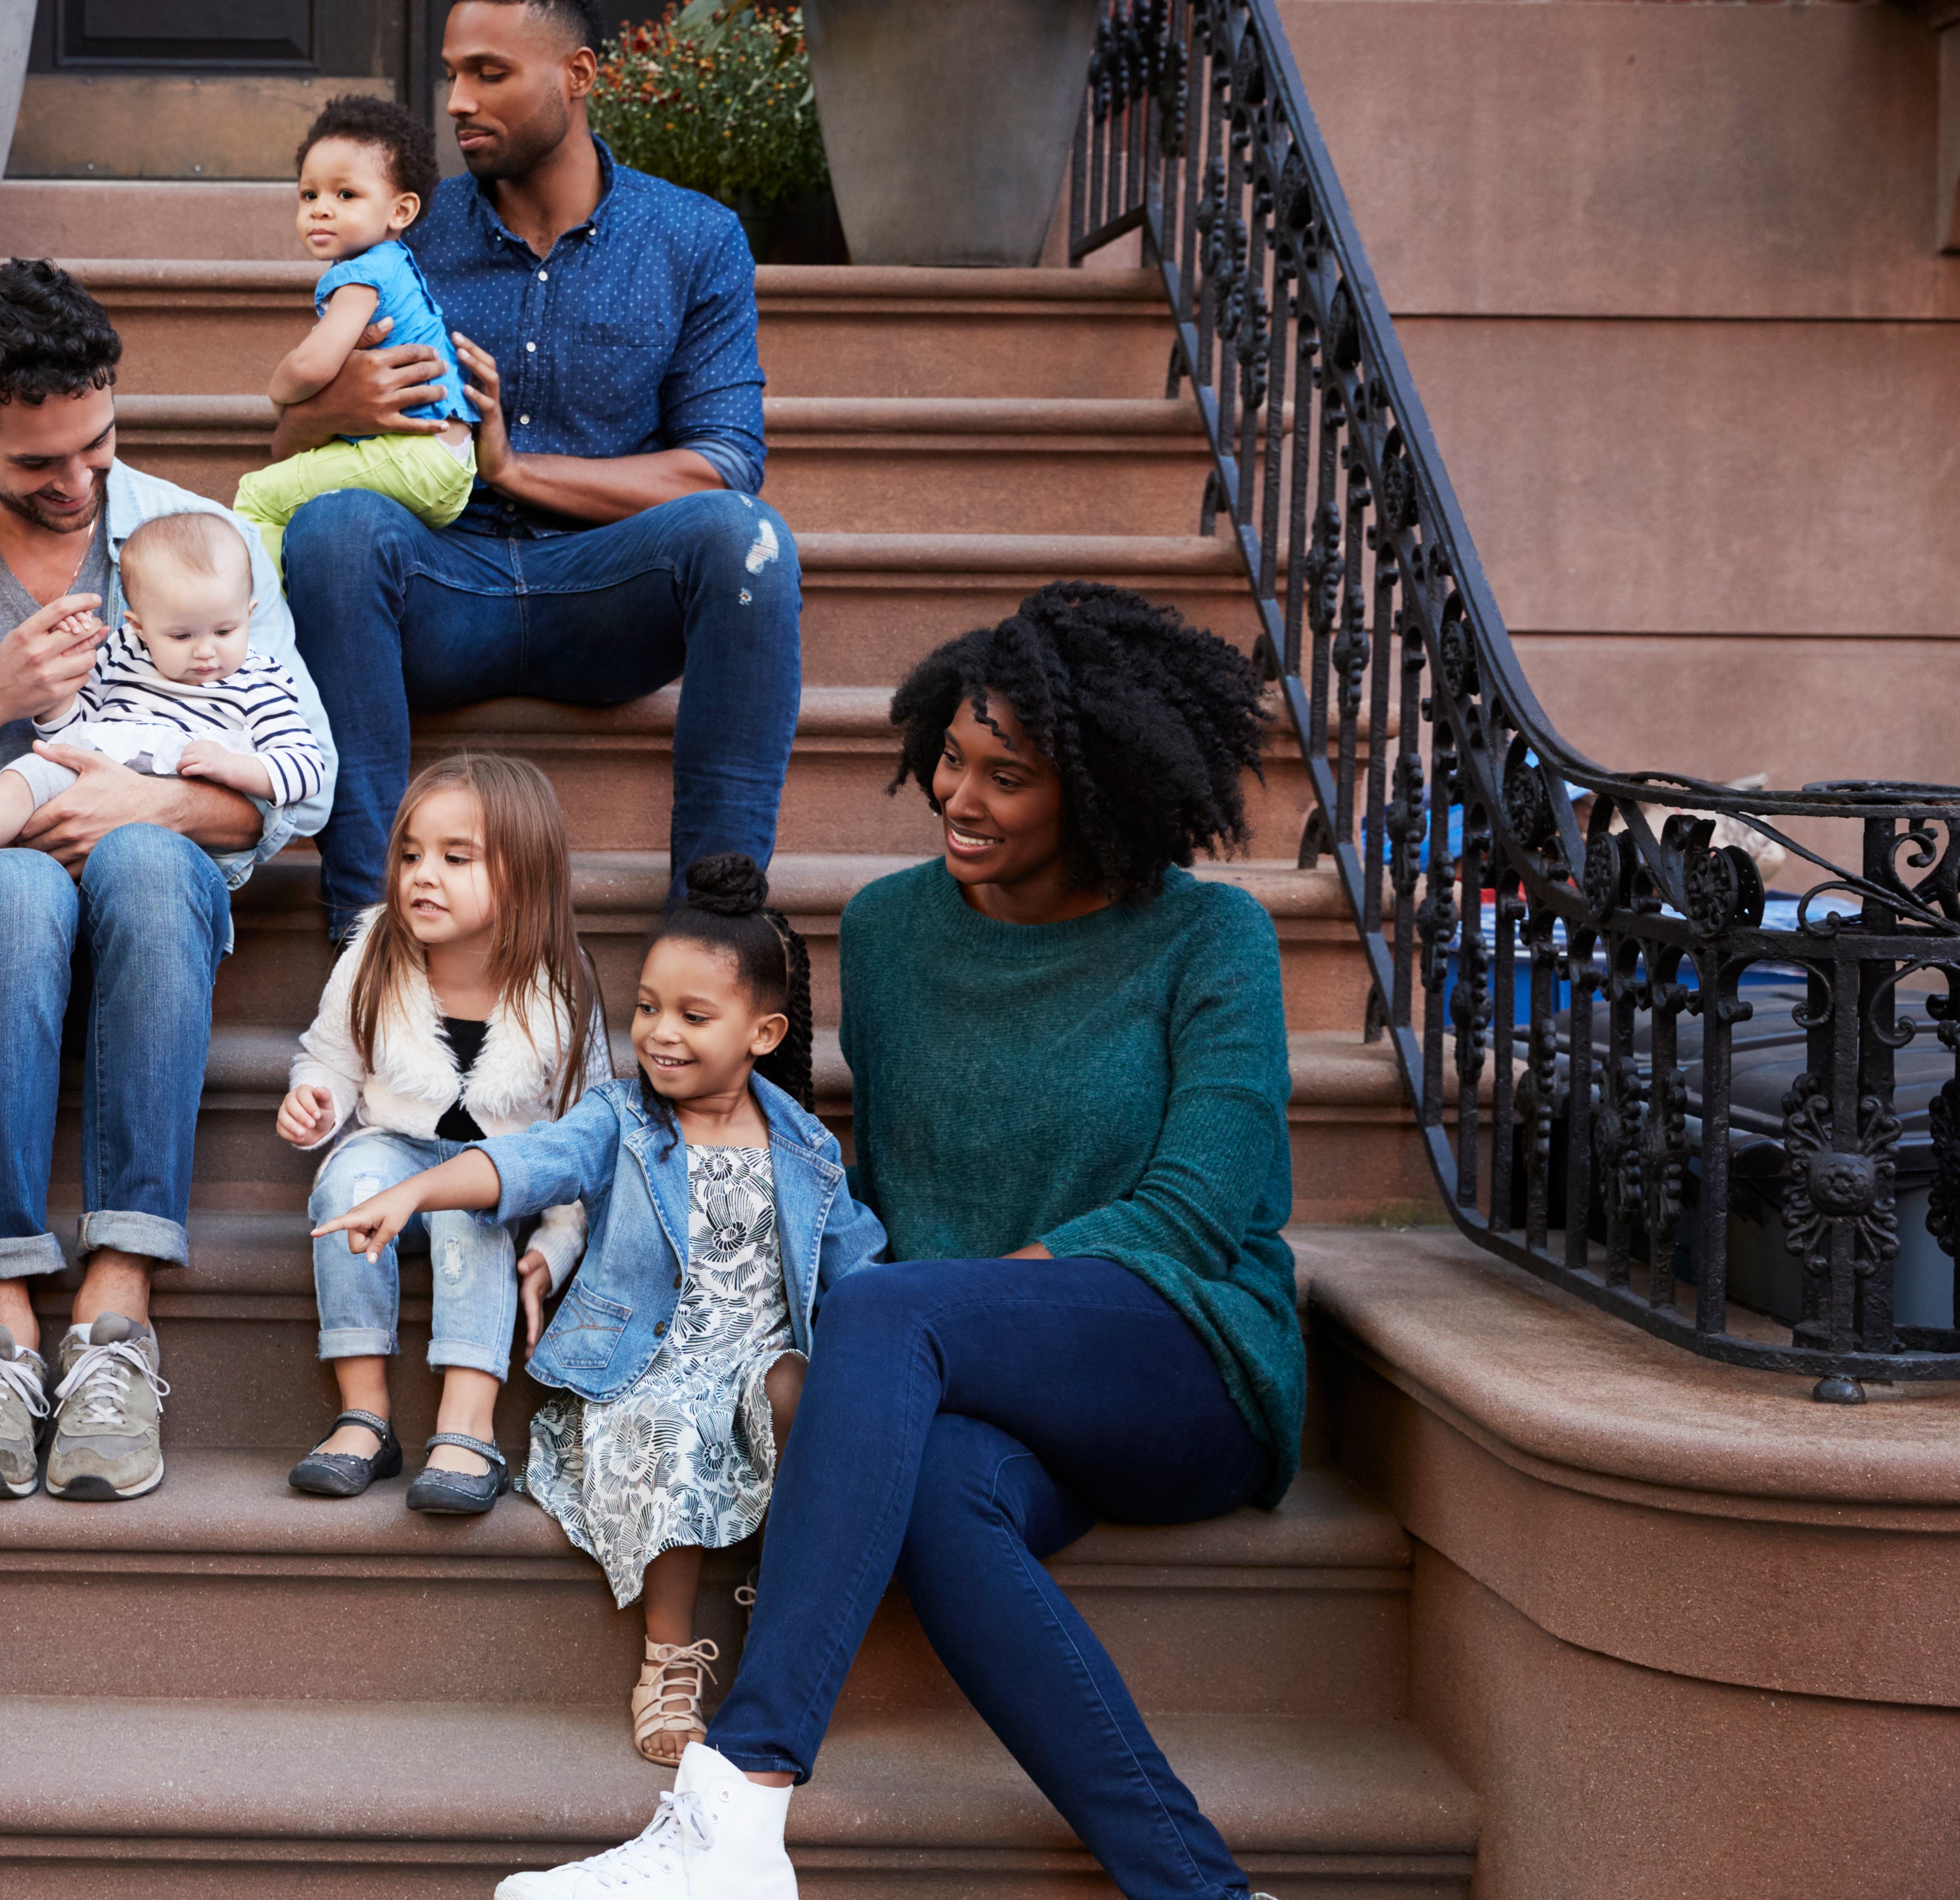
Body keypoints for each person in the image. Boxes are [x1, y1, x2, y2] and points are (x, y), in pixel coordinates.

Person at [497, 581, 1297, 1900]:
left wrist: (942, 1316)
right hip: (961, 1371)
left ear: (1103, 792)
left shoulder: (1212, 937)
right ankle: (1199, 1889)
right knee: (926, 1484)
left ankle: (743, 1800)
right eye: (951, 756)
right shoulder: (886, 929)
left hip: (1177, 1347)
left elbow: (1197, 1204)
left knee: (885, 1315)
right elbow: (858, 1178)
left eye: (1010, 775)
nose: (957, 794)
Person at [0, 259, 336, 1506]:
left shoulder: (205, 538)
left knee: (150, 857)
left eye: (97, 446)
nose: (79, 485)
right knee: (11, 892)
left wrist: (140, 799)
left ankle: (114, 1312)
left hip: (147, 891)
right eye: (40, 463)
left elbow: (299, 779)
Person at [317, 853, 886, 1769]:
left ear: (764, 1031)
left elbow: (858, 1266)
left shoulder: (805, 1146)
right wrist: (417, 1192)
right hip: (645, 1369)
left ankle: (783, 1598)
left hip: (751, 1362)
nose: (660, 1033)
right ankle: (667, 1659)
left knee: (804, 1387)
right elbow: (526, 1161)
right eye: (648, 1007)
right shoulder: (619, 1120)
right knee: (669, 1430)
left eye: (694, 1016)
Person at [276, 0, 799, 941]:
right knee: (335, 527)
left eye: (489, 73)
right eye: (451, 75)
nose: (458, 102)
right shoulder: (400, 241)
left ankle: (716, 934)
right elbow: (292, 440)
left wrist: (515, 468)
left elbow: (721, 462)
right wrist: (328, 405)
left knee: (746, 540)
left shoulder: (693, 239)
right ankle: (365, 934)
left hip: (606, 599)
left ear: (578, 77)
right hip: (439, 589)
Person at [280, 754, 596, 1514]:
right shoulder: (374, 953)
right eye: (411, 854)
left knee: (471, 1200)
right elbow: (327, 1056)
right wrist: (311, 1101)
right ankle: (364, 1413)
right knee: (347, 1182)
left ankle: (467, 1423)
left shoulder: (558, 984)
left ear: (523, 875)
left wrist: (554, 1248)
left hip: (494, 1171)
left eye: (456, 858)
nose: (423, 874)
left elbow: (584, 1139)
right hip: (390, 1153)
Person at [0, 512, 326, 900]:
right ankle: (29, 853)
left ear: (249, 613)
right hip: (80, 781)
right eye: (181, 635)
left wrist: (237, 767)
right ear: (139, 626)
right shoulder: (122, 654)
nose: (206, 651)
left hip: (158, 817)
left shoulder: (259, 680)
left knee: (22, 780)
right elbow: (71, 736)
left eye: (225, 631)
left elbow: (308, 769)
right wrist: (60, 696)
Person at [230, 94, 479, 574]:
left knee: (256, 497)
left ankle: (263, 638)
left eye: (345, 195)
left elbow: (312, 366)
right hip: (448, 458)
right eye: (310, 195)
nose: (322, 209)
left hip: (419, 456)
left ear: (401, 211)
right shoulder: (395, 263)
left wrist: (279, 392)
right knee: (297, 504)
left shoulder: (361, 275)